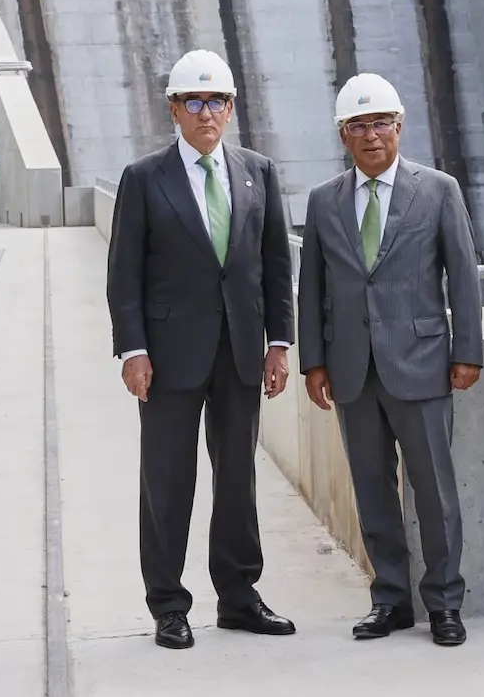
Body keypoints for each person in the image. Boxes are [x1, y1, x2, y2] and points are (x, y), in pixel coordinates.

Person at [105, 49, 297, 650]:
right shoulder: (143, 178)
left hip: (241, 350)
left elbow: (274, 264)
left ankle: (239, 597)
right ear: (174, 109)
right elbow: (123, 274)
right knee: (167, 479)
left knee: (237, 477)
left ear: (231, 108)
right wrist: (132, 349)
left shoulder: (258, 172)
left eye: (216, 101)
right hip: (168, 355)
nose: (206, 113)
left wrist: (280, 343)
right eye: (194, 101)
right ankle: (168, 603)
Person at [299, 74, 483, 648]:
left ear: (399, 127)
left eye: (381, 122)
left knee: (434, 493)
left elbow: (464, 275)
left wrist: (468, 351)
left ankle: (445, 604)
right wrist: (314, 362)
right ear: (343, 135)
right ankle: (391, 602)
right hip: (353, 370)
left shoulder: (438, 190)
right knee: (372, 491)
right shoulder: (324, 200)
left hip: (424, 363)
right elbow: (312, 288)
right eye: (358, 125)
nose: (371, 134)